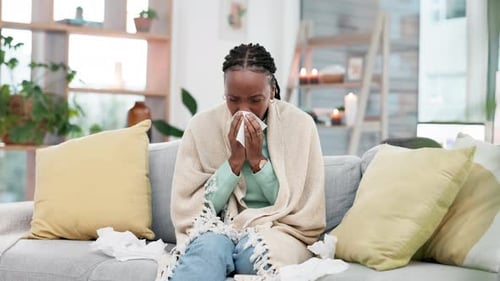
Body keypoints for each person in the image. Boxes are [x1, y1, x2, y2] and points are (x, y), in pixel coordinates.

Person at [169, 43, 325, 281]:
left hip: (280, 230)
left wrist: (257, 161)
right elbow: (198, 209)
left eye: (255, 100)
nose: (244, 109)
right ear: (224, 92)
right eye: (233, 99)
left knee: (252, 254)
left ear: (272, 91)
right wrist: (233, 161)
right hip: (220, 227)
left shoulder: (299, 126)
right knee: (207, 250)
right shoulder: (202, 127)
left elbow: (294, 206)